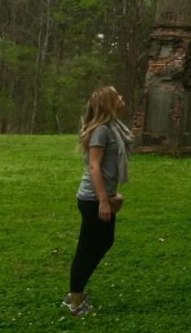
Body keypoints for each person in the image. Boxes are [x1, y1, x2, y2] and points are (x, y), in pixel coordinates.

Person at [63, 85, 133, 316]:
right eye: (117, 95)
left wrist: (113, 195)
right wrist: (104, 200)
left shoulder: (112, 127)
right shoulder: (101, 130)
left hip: (101, 196)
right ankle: (75, 302)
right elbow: (94, 167)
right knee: (88, 248)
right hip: (92, 198)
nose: (121, 97)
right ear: (108, 103)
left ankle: (75, 290)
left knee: (104, 242)